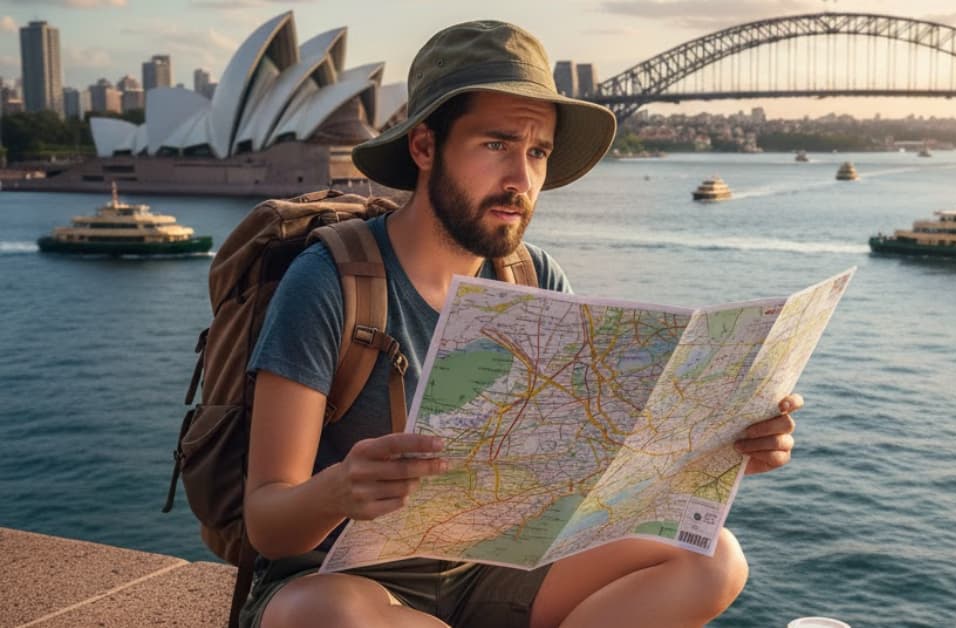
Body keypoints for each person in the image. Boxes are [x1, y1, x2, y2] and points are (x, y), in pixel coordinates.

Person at [241, 19, 803, 628]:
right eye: (496, 145)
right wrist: (339, 489)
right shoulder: (331, 282)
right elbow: (267, 522)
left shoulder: (532, 278)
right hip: (344, 580)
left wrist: (721, 444)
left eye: (537, 152)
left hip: (490, 567)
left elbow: (581, 482)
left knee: (714, 557)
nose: (522, 179)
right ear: (424, 147)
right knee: (327, 619)